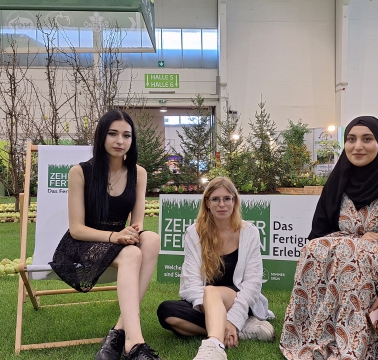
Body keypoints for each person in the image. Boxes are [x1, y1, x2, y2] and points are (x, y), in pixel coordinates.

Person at [279, 116, 378, 359]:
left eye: (367, 139)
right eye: (351, 139)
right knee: (313, 249)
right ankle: (314, 335)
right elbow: (322, 230)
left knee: (350, 252)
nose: (357, 146)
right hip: (346, 254)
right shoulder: (339, 179)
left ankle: (355, 343)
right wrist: (357, 239)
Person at [49, 109, 161, 360]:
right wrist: (115, 238)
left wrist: (132, 233)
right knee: (131, 253)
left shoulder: (138, 173)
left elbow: (138, 221)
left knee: (152, 239)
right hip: (84, 242)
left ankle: (120, 331)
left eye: (126, 135)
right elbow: (77, 229)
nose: (120, 141)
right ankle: (135, 345)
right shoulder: (80, 172)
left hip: (120, 239)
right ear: (102, 136)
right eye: (113, 134)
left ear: (133, 141)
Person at [156, 177, 275, 360]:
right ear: (207, 203)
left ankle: (214, 346)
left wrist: (234, 316)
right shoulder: (194, 232)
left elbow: (253, 284)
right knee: (167, 312)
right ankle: (239, 329)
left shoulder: (249, 232)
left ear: (234, 201)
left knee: (211, 291)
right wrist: (217, 314)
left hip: (239, 299)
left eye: (227, 198)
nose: (222, 204)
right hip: (205, 303)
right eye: (215, 199)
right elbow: (190, 283)